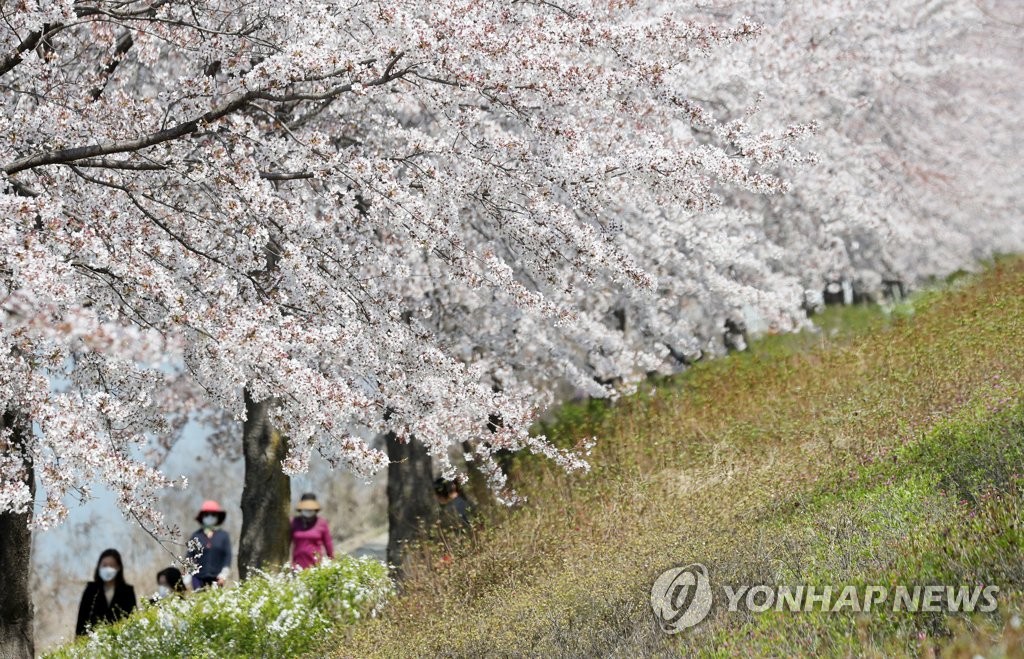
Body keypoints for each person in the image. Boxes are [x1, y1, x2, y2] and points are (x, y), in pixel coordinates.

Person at [75, 548, 137, 636]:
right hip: (93, 641)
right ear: (99, 567)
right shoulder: (91, 590)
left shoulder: (127, 591)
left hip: (120, 640)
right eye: (104, 565)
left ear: (118, 568)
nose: (108, 569)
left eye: (112, 565)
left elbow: (132, 618)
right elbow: (82, 619)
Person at [187, 499, 231, 590]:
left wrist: (224, 575)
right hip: (198, 578)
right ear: (202, 517)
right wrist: (187, 576)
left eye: (213, 515)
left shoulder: (223, 536)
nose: (210, 517)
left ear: (217, 517)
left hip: (217, 578)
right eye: (207, 515)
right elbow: (190, 556)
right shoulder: (196, 536)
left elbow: (227, 556)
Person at [290, 493, 335, 569]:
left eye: (310, 510)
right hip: (297, 567)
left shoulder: (322, 523)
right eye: (306, 510)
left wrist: (332, 562)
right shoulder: (294, 522)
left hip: (316, 567)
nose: (308, 511)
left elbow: (328, 544)